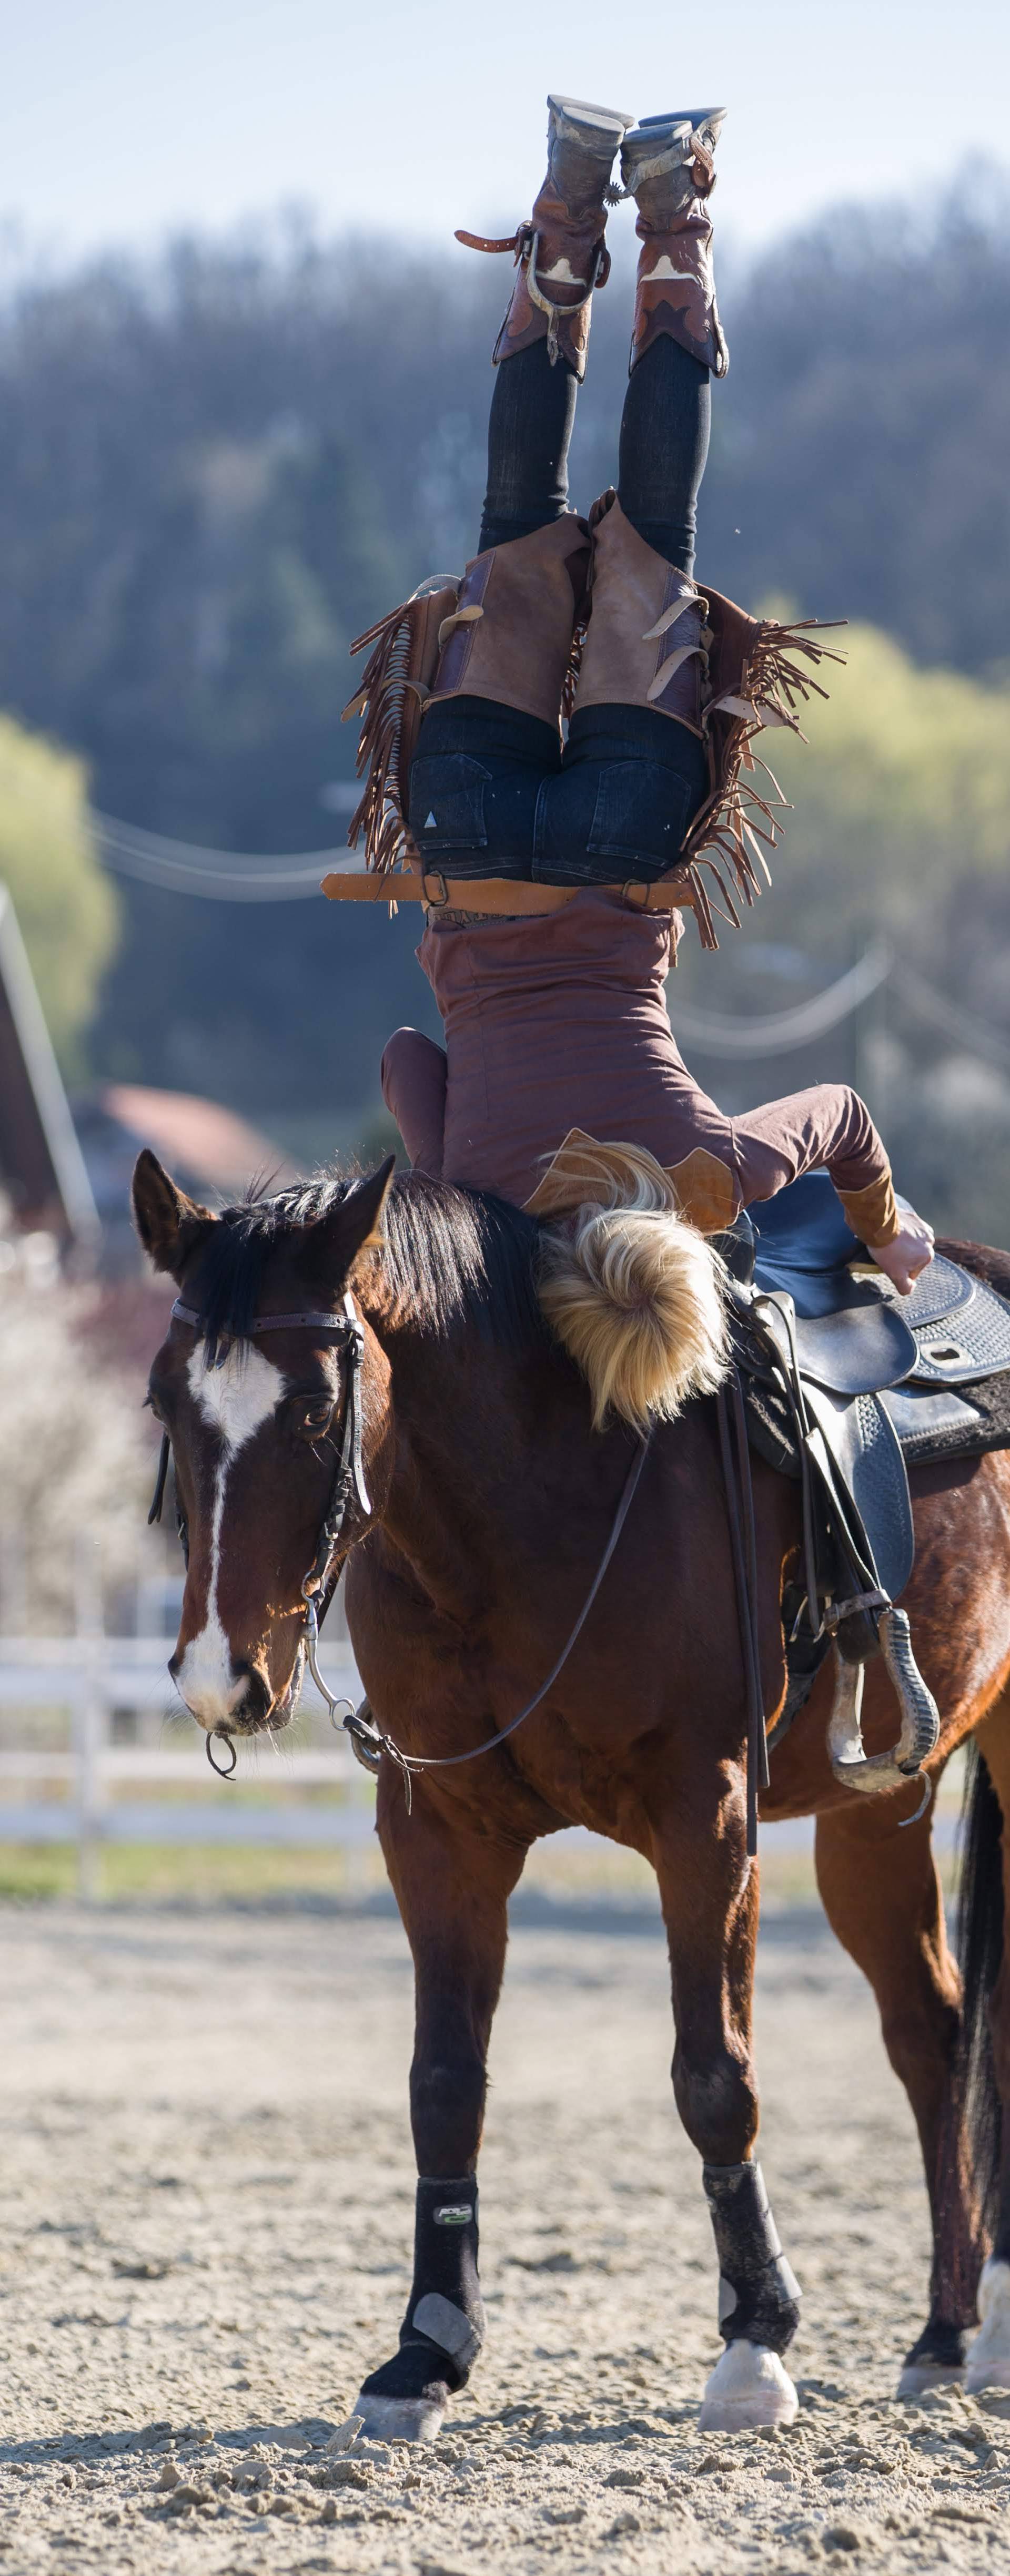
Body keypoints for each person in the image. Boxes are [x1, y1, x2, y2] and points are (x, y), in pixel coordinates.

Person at [340, 97, 934, 1296]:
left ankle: (670, 214)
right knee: (514, 526)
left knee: (654, 545)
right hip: (477, 851)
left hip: (620, 851)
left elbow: (845, 1113)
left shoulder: (706, 1184)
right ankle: (565, 212)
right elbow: (410, 1058)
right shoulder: (480, 1214)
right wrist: (454, 1169)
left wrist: (892, 1219)